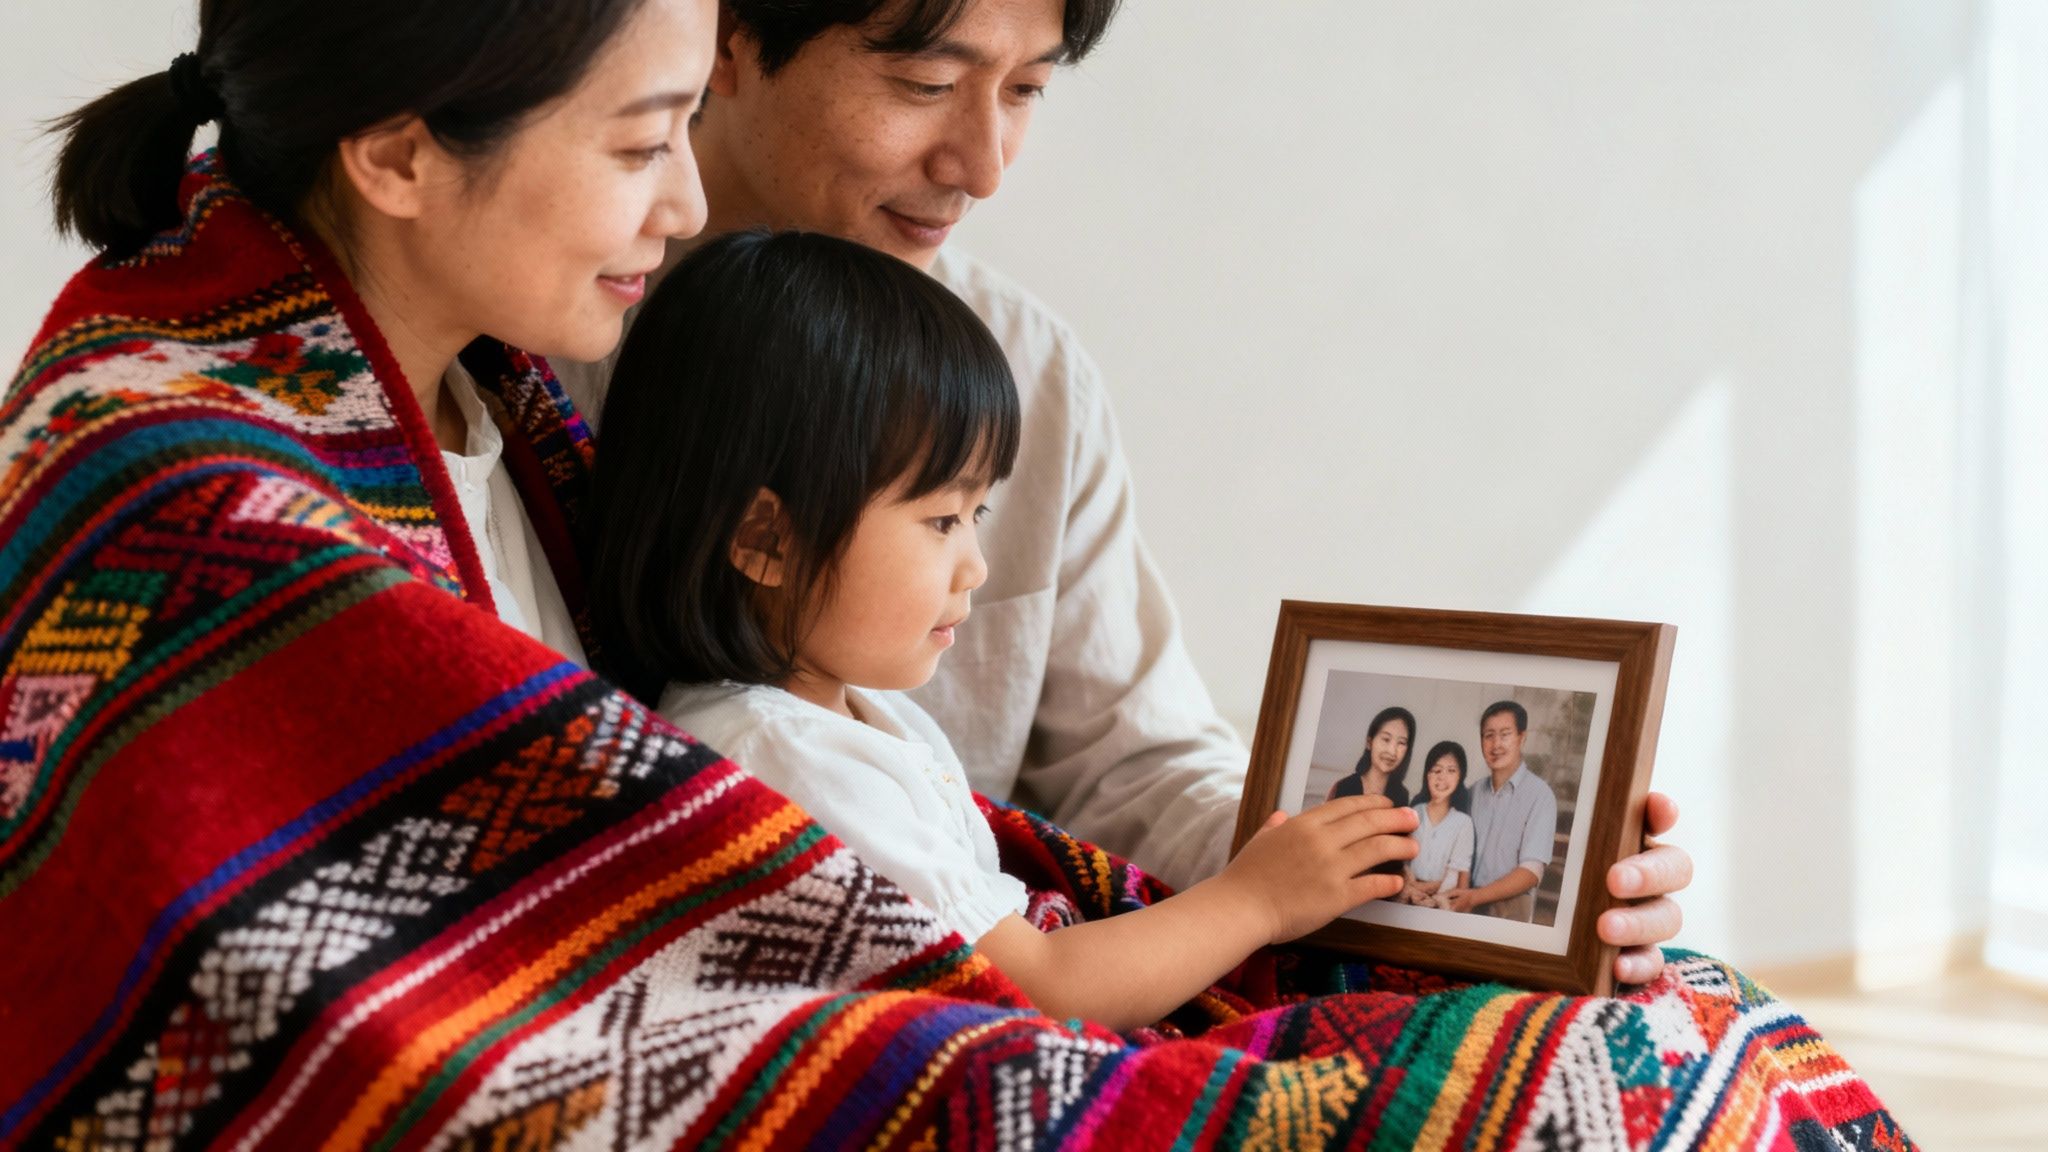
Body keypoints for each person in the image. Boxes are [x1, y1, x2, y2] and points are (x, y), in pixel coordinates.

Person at [548, 0, 1695, 986]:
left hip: (1091, 956)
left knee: (1683, 1018)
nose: (982, 164)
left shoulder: (1023, 377)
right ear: (728, 39)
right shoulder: (532, 353)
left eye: (1028, 90)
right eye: (925, 80)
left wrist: (1404, 888)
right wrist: (1262, 900)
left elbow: (1139, 763)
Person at [586, 229, 1422, 1031]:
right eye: (943, 519)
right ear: (766, 540)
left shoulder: (852, 715)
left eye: (977, 514)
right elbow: (1039, 990)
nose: (977, 566)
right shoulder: (783, 760)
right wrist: (1256, 900)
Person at [1444, 700, 1559, 922]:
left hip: (1510, 910)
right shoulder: (1473, 792)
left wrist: (1475, 897)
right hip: (1464, 903)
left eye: (1505, 734)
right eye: (1488, 735)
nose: (1496, 744)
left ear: (1521, 738)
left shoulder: (1540, 795)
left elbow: (1531, 872)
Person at [1400, 740, 1476, 909]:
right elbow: (1401, 861)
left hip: (1442, 901)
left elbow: (1461, 877)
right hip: (1406, 896)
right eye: (1437, 770)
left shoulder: (1464, 823)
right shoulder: (1414, 812)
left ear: (1460, 777)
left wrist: (1430, 891)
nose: (1442, 777)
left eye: (1451, 771)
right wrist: (1411, 888)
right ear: (1428, 774)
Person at [1325, 705, 1415, 807]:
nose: (1392, 751)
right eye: (1386, 739)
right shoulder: (1344, 787)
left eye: (1401, 743)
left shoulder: (1402, 796)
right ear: (1369, 742)